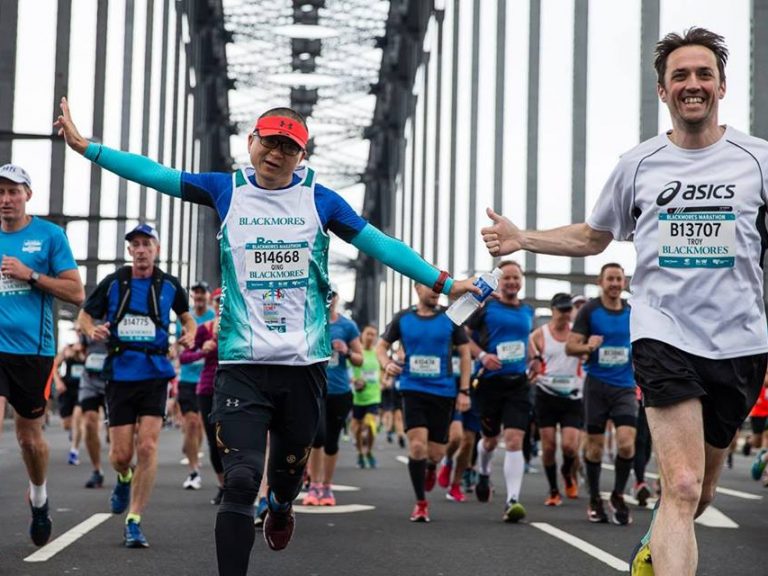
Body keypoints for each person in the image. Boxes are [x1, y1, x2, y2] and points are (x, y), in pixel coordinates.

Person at [55, 99, 476, 576]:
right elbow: (156, 173)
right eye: (269, 142)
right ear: (251, 142)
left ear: (302, 157)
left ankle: (280, 505)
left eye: (288, 147)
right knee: (239, 480)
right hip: (241, 367)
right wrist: (88, 148)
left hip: (303, 369)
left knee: (285, 478)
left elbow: (380, 244)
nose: (276, 153)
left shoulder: (320, 200)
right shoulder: (225, 190)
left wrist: (443, 283)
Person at [481, 27, 768, 576]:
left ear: (722, 86)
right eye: (679, 75)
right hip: (664, 334)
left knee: (700, 492)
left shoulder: (757, 160)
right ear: (662, 90)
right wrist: (524, 238)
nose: (692, 84)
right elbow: (594, 237)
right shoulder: (638, 164)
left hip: (741, 342)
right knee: (680, 484)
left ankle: (652, 548)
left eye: (703, 74)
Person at [77, 223, 196, 548]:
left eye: (147, 244)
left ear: (156, 249)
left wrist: (189, 331)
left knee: (147, 447)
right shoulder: (115, 282)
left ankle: (134, 519)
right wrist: (92, 330)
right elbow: (84, 316)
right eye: (136, 245)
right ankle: (123, 477)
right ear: (129, 251)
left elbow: (187, 317)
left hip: (155, 373)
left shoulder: (169, 284)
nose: (141, 250)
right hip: (120, 375)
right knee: (120, 454)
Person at [0, 163, 85, 546]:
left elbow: (76, 293)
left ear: (27, 195)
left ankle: (39, 496)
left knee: (29, 440)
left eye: (13, 192)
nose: (5, 200)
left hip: (33, 352)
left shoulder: (50, 236)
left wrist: (29, 275)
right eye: (0, 193)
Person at [376, 283, 471, 522]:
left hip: (443, 391)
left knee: (436, 453)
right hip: (412, 389)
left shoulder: (451, 316)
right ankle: (421, 503)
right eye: (430, 286)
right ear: (417, 288)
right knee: (417, 446)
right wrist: (386, 363)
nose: (436, 291)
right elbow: (381, 346)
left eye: (439, 287)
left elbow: (466, 352)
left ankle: (431, 467)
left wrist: (464, 390)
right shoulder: (403, 318)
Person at [565, 264, 636, 525]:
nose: (615, 283)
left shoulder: (632, 311)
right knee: (594, 448)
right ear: (601, 282)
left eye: (619, 279)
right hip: (596, 385)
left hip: (625, 386)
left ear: (624, 282)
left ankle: (617, 494)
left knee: (627, 442)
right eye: (611, 279)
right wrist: (587, 345)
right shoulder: (590, 310)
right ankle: (595, 497)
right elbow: (570, 347)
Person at [465, 260, 534, 523]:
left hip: (518, 383)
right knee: (490, 439)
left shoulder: (528, 311)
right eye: (507, 279)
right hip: (490, 382)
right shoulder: (486, 308)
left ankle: (512, 500)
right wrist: (482, 356)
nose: (512, 283)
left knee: (515, 439)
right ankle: (483, 472)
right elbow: (464, 337)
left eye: (516, 278)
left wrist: (534, 359)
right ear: (499, 282)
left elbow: (524, 343)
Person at [303, 289, 362, 506]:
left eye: (332, 295)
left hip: (339, 391)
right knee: (317, 437)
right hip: (314, 389)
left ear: (337, 299)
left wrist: (346, 351)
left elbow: (360, 360)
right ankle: (315, 484)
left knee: (331, 441)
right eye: (324, 295)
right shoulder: (309, 321)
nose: (328, 299)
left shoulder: (347, 326)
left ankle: (327, 487)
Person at [529, 293, 583, 506]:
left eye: (568, 310)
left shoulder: (577, 334)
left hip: (572, 395)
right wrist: (532, 371)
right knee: (549, 446)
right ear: (552, 310)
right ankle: (553, 489)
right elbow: (530, 360)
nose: (565, 314)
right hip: (546, 394)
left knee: (570, 446)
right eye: (561, 310)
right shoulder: (539, 335)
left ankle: (567, 472)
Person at [180, 286, 224, 504]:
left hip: (235, 388)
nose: (221, 305)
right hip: (207, 388)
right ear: (213, 305)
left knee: (233, 440)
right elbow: (184, 357)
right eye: (217, 302)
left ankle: (240, 486)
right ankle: (223, 485)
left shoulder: (240, 328)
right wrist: (202, 350)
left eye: (224, 301)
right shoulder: (204, 328)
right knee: (214, 442)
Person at [176, 280, 215, 490]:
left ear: (208, 296)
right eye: (196, 294)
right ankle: (193, 471)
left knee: (199, 426)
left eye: (202, 293)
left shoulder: (214, 318)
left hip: (209, 381)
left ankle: (190, 449)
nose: (199, 297)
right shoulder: (185, 319)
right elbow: (180, 349)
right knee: (191, 423)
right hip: (188, 380)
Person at [79, 327, 109, 489]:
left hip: (113, 380)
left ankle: (124, 463)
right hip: (89, 380)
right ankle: (97, 470)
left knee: (115, 432)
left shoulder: (116, 312)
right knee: (90, 423)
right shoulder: (87, 318)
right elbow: (83, 349)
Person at [351, 324, 382, 469]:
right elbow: (347, 372)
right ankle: (360, 453)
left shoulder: (377, 353)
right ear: (362, 335)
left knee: (370, 425)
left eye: (373, 334)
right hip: (357, 397)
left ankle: (369, 451)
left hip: (373, 397)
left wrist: (385, 380)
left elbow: (384, 369)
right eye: (368, 334)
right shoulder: (357, 353)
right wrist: (354, 381)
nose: (370, 337)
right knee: (357, 430)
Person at [53, 340, 86, 465]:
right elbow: (54, 365)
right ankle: (73, 431)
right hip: (67, 389)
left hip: (83, 389)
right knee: (67, 424)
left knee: (77, 418)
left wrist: (82, 353)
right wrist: (58, 382)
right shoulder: (68, 349)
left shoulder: (88, 347)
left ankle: (74, 451)